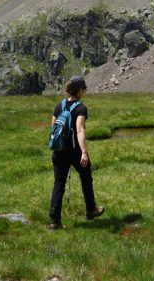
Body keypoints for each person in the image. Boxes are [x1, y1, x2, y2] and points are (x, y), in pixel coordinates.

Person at [48, 76, 104, 230]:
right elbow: (79, 130)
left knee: (59, 184)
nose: (84, 92)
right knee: (86, 177)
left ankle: (54, 221)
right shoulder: (80, 108)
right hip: (74, 152)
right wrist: (84, 153)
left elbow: (53, 128)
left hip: (58, 151)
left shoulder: (59, 106)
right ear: (79, 90)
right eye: (83, 89)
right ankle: (91, 210)